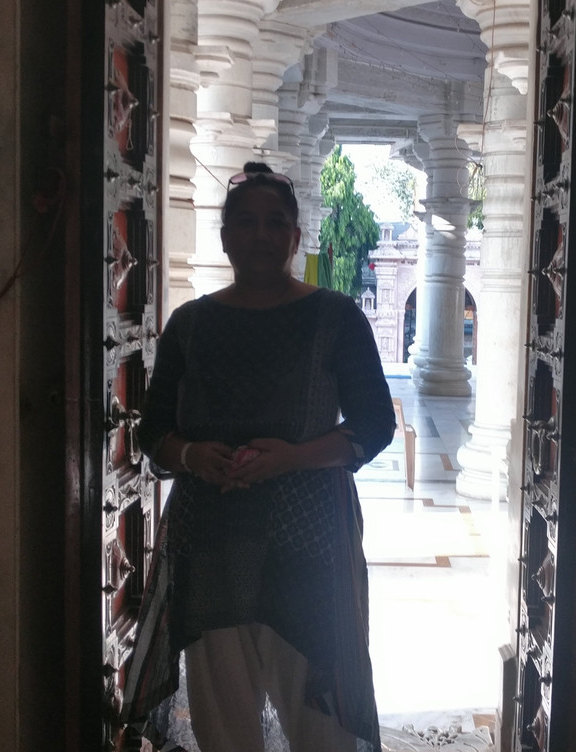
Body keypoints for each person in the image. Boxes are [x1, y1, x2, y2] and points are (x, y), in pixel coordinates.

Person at [121, 161, 396, 752]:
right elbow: (154, 433)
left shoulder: (335, 317)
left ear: (296, 237)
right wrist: (193, 454)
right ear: (225, 238)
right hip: (212, 539)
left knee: (321, 718)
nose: (261, 235)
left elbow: (375, 425)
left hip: (309, 542)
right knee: (225, 720)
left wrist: (293, 458)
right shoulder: (190, 326)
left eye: (276, 223)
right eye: (246, 223)